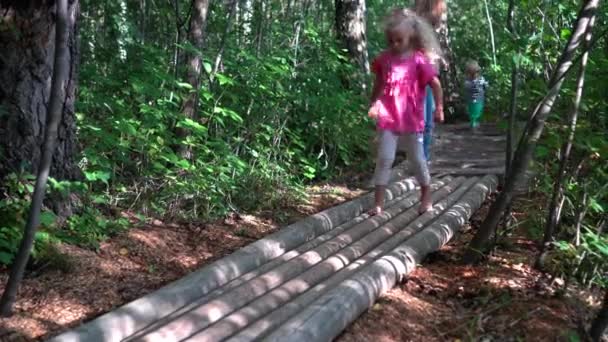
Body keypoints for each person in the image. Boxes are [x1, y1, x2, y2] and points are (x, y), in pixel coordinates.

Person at [368, 9, 444, 216]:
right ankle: (378, 203)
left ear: (411, 37)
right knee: (384, 158)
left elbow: (435, 84)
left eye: (399, 40)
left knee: (417, 159)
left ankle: (426, 194)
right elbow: (379, 83)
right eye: (391, 40)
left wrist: (439, 107)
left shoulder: (419, 60)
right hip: (388, 116)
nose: (394, 44)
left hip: (412, 118)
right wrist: (373, 102)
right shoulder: (384, 59)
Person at [464, 60, 489, 129]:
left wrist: (485, 83)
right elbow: (467, 87)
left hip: (480, 99)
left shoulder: (481, 79)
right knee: (473, 112)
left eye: (476, 73)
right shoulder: (468, 81)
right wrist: (475, 84)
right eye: (472, 73)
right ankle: (473, 123)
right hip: (471, 99)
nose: (475, 75)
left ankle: (477, 123)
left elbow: (486, 86)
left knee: (479, 110)